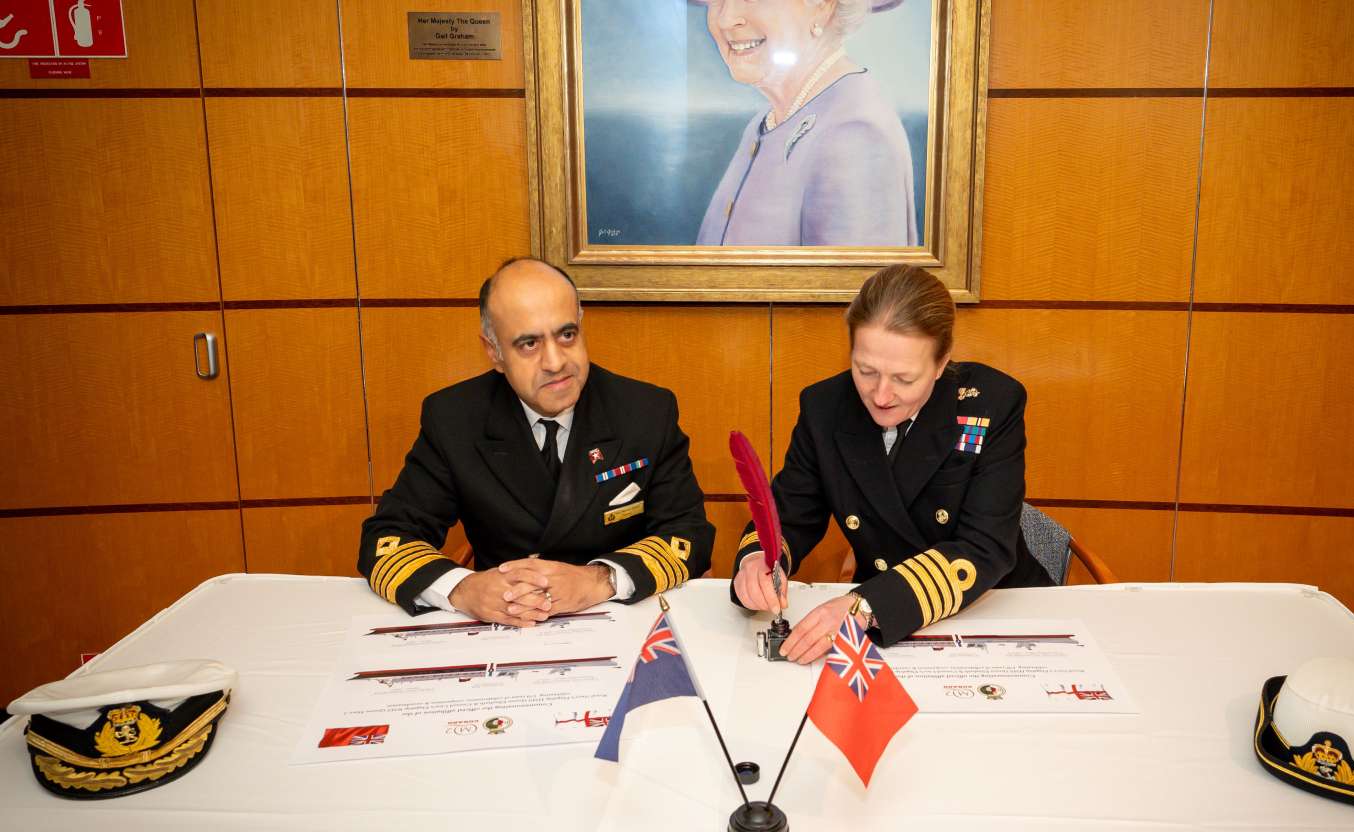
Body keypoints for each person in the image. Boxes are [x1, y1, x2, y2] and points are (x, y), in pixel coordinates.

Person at [359, 257, 714, 625]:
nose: (556, 362)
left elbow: (687, 535)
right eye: (529, 343)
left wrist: (600, 579)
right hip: (504, 623)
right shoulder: (454, 419)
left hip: (618, 619)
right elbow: (387, 539)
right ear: (494, 351)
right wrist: (463, 589)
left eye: (567, 335)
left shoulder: (644, 411)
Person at [731, 264, 1051, 662]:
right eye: (866, 371)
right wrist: (756, 562)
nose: (881, 396)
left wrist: (863, 606)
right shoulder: (825, 408)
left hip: (988, 610)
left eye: (904, 379)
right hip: (885, 623)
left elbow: (983, 546)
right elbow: (790, 515)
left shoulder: (992, 403)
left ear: (940, 363)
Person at [694, 0, 917, 246]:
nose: (726, 19)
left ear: (823, 5)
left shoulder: (854, 135)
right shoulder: (767, 121)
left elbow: (855, 282)